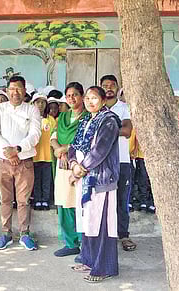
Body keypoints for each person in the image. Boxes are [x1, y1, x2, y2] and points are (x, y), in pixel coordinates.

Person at [68, 86, 120, 283]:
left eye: (94, 98)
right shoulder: (85, 120)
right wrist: (73, 164)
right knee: (88, 222)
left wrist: (81, 168)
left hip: (100, 179)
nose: (90, 102)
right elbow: (73, 145)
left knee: (103, 224)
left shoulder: (109, 121)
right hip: (84, 177)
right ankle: (89, 260)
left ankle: (104, 267)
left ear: (103, 100)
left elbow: (100, 150)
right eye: (88, 98)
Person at [0, 76, 41, 251]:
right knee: (5, 200)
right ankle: (6, 234)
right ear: (7, 90)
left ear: (24, 90)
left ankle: (24, 234)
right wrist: (9, 152)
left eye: (19, 88)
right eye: (12, 88)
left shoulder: (32, 110)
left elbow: (35, 135)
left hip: (24, 162)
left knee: (23, 200)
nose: (15, 92)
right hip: (3, 161)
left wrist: (17, 149)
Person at [51, 82, 89, 258]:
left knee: (81, 205)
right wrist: (59, 150)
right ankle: (70, 243)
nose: (72, 98)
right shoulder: (63, 117)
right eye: (68, 96)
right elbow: (53, 138)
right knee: (65, 204)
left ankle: (85, 243)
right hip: (63, 166)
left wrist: (65, 149)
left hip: (81, 167)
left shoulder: (89, 117)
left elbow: (85, 141)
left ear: (82, 96)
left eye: (75, 95)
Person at [100, 74, 136, 252]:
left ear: (117, 88)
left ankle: (124, 235)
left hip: (122, 161)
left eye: (112, 85)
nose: (109, 88)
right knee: (103, 200)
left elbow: (127, 130)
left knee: (122, 199)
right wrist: (116, 129)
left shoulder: (124, 108)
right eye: (105, 85)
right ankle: (105, 236)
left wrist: (104, 132)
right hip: (101, 162)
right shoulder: (96, 108)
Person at [31, 92, 56, 211]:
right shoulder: (30, 119)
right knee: (36, 179)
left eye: (43, 102)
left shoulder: (50, 119)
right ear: (33, 104)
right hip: (34, 155)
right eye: (38, 102)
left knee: (46, 179)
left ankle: (45, 200)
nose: (40, 105)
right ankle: (37, 199)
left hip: (47, 155)